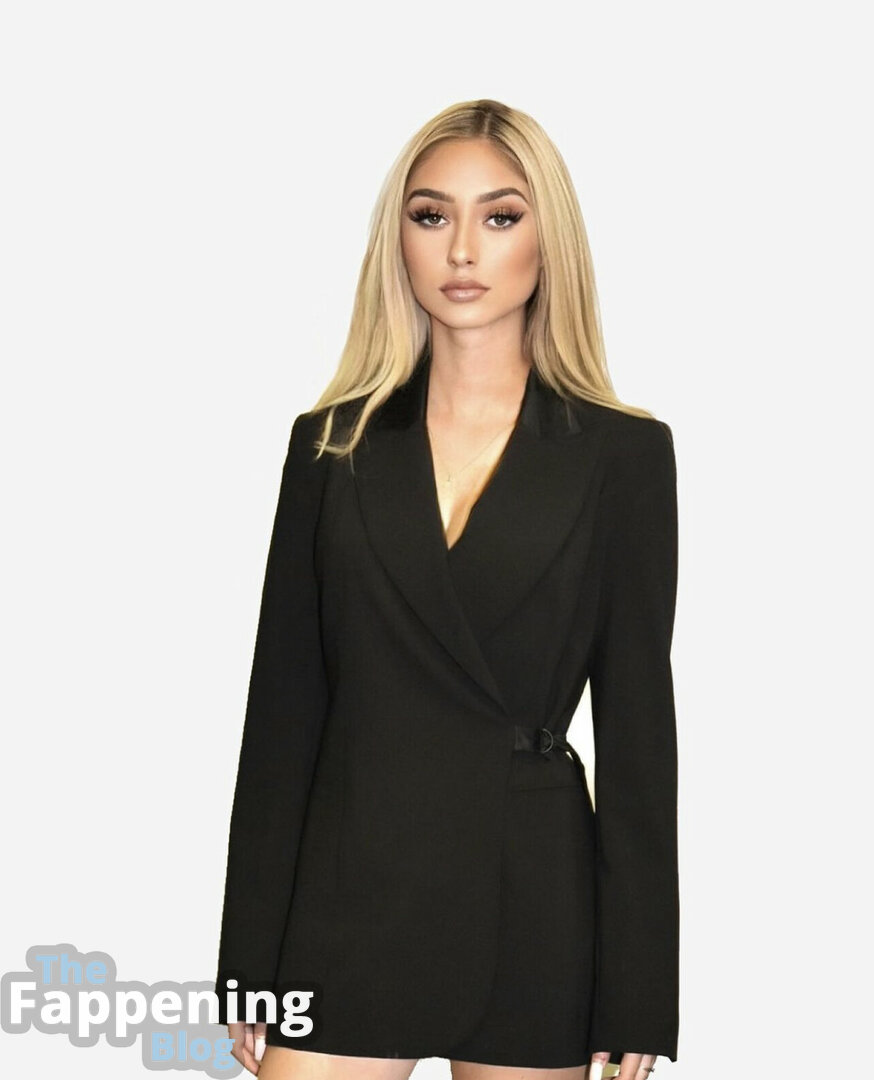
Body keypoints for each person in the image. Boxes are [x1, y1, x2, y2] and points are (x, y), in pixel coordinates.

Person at [215, 99, 679, 1080]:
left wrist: (638, 985)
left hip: (531, 900)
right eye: (431, 216)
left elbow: (640, 730)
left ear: (549, 242)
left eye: (500, 216)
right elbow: (284, 715)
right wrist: (249, 965)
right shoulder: (330, 445)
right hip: (348, 887)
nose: (462, 248)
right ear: (400, 241)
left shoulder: (622, 455)